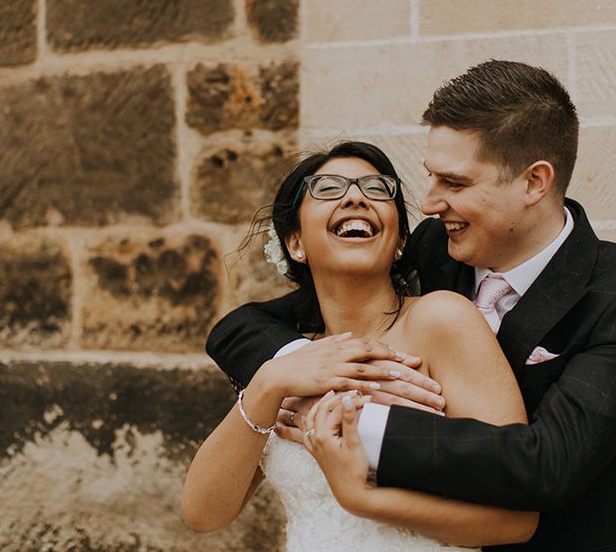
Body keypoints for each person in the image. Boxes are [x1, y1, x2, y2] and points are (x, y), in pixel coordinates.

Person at [206, 60, 616, 552]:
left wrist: (360, 417)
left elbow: (549, 465)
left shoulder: (608, 294)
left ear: (534, 183)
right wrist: (292, 370)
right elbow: (250, 322)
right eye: (429, 178)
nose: (428, 203)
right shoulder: (434, 246)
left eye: (455, 184)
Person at [182, 141, 538, 550]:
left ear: (400, 240)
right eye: (329, 189)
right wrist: (268, 383)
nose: (356, 196)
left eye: (376, 188)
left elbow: (515, 519)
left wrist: (364, 499)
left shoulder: (442, 320)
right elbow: (204, 513)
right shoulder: (291, 362)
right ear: (294, 244)